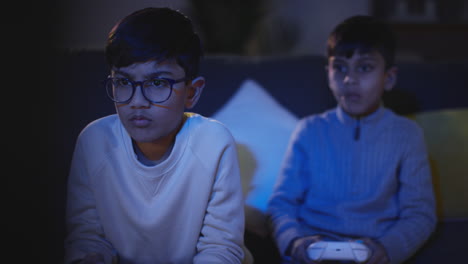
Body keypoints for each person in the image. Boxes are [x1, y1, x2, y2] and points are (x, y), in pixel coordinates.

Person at [64, 7, 246, 264]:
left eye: (158, 83)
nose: (137, 102)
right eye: (124, 82)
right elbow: (87, 237)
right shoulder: (94, 141)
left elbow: (220, 248)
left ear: (192, 92)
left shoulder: (214, 142)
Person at [267, 15, 436, 264]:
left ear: (388, 78)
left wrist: (388, 249)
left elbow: (421, 214)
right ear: (328, 73)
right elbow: (281, 203)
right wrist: (294, 242)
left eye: (365, 67)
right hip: (312, 250)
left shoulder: (407, 134)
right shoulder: (309, 130)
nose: (349, 79)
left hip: (376, 251)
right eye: (340, 68)